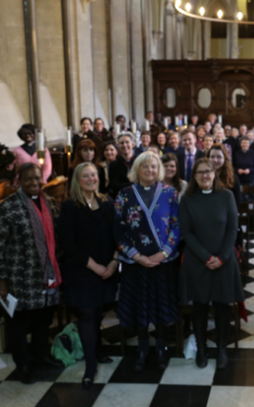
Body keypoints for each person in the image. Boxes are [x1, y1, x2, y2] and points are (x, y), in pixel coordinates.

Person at [0, 163, 64, 384]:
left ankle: (41, 355)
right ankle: (22, 363)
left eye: (37, 178)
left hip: (46, 273)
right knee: (19, 323)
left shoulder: (49, 202)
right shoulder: (8, 207)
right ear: (19, 182)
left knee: (43, 320)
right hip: (19, 277)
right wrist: (1, 281)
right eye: (28, 179)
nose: (34, 183)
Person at [114, 152, 180, 372]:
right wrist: (137, 256)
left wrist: (164, 253)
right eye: (145, 167)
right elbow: (118, 230)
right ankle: (142, 347)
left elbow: (176, 226)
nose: (150, 171)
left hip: (163, 262)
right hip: (136, 263)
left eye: (153, 166)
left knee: (161, 305)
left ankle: (161, 346)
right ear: (137, 169)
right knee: (138, 306)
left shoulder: (170, 193)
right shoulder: (124, 195)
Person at [58, 163, 118, 388]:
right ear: (77, 180)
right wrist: (95, 267)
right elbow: (68, 244)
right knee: (87, 313)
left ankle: (97, 350)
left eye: (94, 174)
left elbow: (117, 234)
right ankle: (90, 365)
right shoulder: (70, 207)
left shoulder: (107, 202)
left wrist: (114, 261)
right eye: (86, 176)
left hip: (107, 268)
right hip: (82, 270)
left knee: (100, 310)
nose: (91, 179)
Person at [179, 158, 243, 370]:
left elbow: (232, 229)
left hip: (224, 261)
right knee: (200, 307)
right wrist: (206, 257)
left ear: (214, 173)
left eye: (208, 172)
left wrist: (222, 257)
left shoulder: (227, 196)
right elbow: (186, 232)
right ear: (194, 176)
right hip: (198, 261)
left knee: (222, 306)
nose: (204, 176)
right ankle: (202, 348)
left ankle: (222, 348)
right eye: (199, 173)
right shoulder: (187, 199)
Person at [107, 132, 136, 197]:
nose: (124, 145)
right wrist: (134, 184)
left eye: (127, 142)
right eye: (121, 143)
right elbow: (114, 185)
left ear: (133, 144)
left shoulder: (139, 161)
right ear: (118, 146)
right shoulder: (113, 164)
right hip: (120, 196)